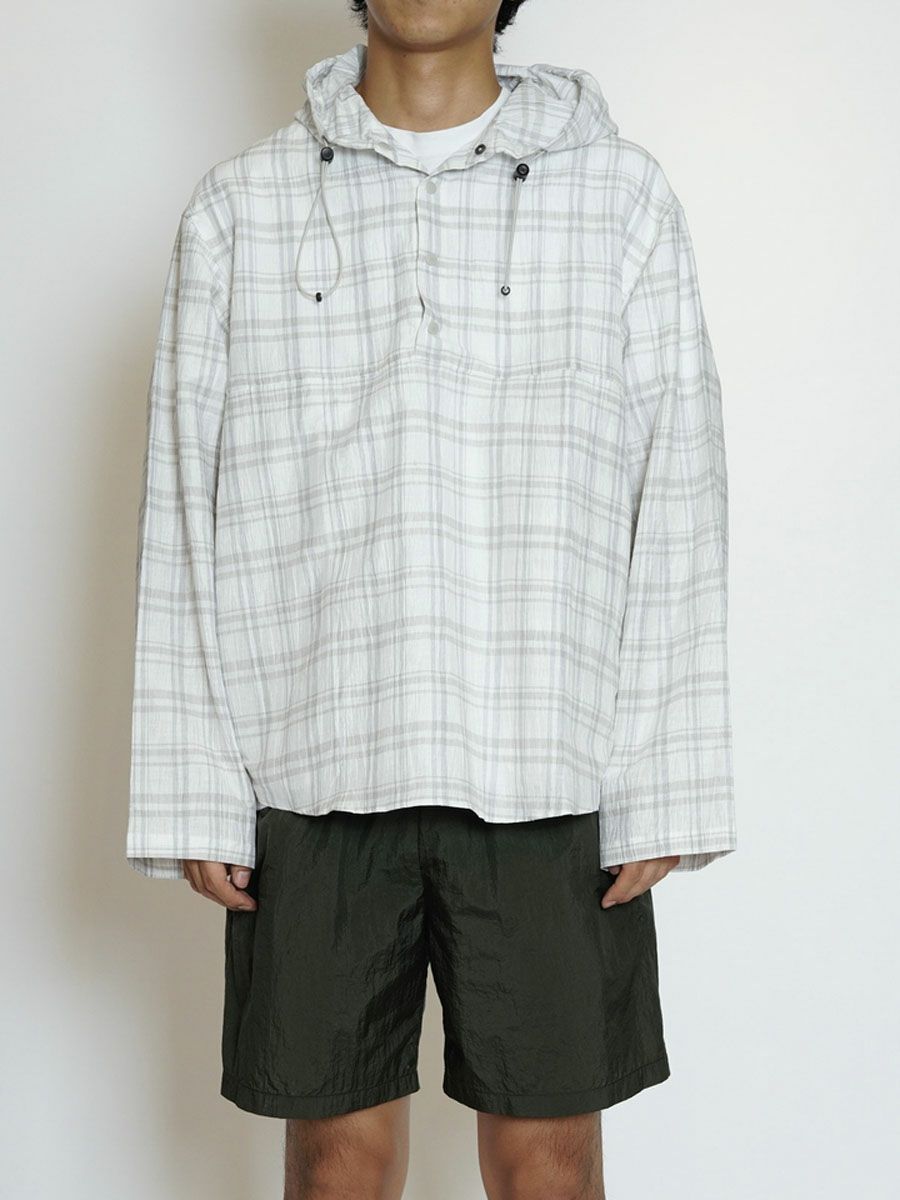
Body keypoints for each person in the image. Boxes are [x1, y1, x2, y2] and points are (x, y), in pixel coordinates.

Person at [126, 1, 736, 1195]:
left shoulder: (619, 197)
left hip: (548, 764)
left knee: (550, 1157)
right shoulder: (243, 207)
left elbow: (680, 484)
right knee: (334, 1157)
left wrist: (664, 777)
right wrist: (192, 785)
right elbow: (182, 491)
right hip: (314, 754)